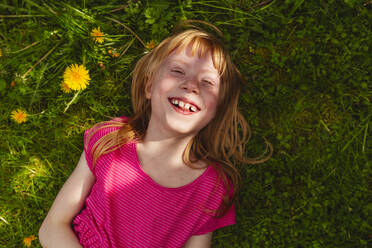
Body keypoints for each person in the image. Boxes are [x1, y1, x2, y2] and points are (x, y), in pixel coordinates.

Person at [39, 21, 272, 248]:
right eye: (178, 70)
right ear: (149, 86)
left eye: (207, 82)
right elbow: (52, 228)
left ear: (217, 110)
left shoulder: (211, 188)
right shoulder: (110, 140)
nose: (191, 85)